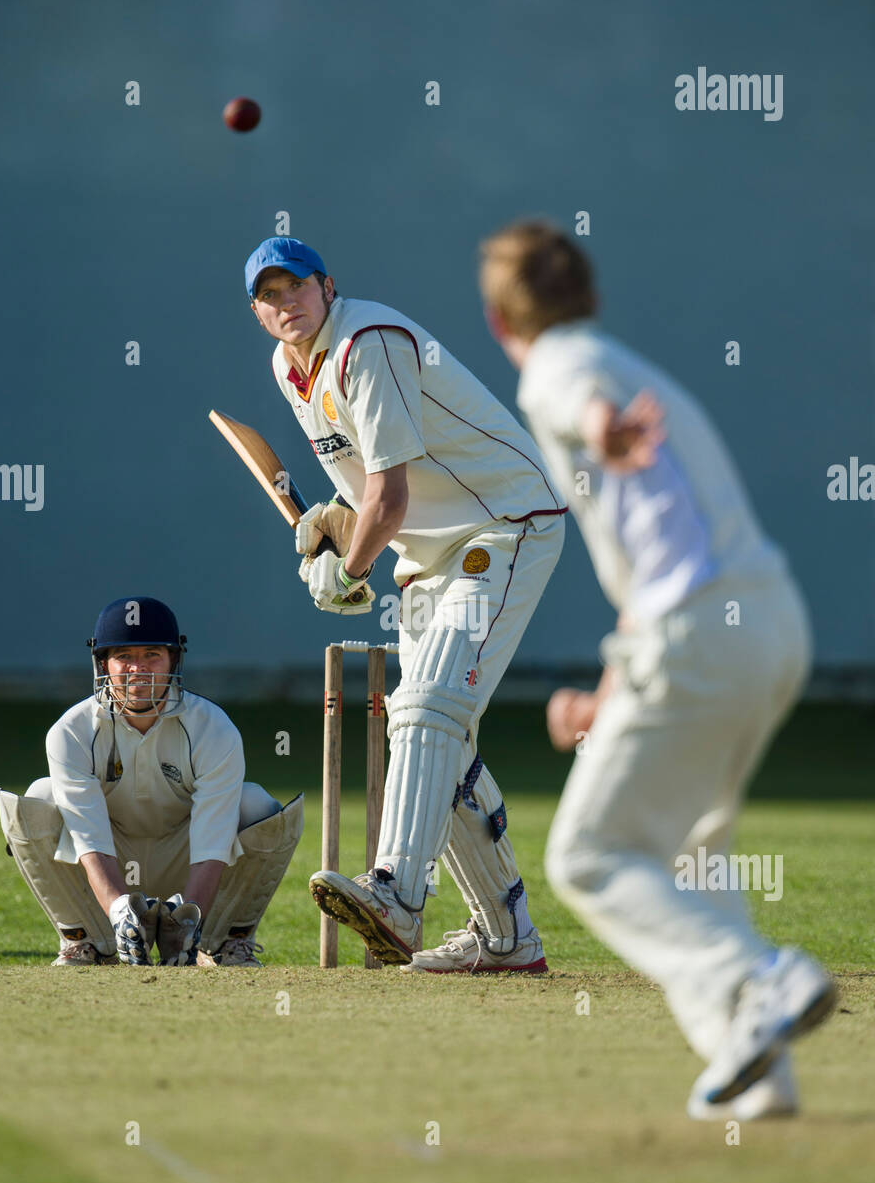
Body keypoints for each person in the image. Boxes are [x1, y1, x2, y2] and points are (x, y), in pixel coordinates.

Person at [478, 219, 835, 1117]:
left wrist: (601, 431)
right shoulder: (640, 369)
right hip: (767, 624)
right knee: (689, 858)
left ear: (497, 321)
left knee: (591, 857)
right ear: (589, 293)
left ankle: (764, 979)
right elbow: (667, 549)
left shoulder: (562, 368)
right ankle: (758, 1072)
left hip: (699, 636)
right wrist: (611, 691)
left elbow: (577, 399)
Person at [244, 235, 567, 971]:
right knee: (434, 739)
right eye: (268, 295)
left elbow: (388, 496)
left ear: (327, 286)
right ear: (257, 312)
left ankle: (395, 894)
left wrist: (350, 570)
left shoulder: (368, 341)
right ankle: (506, 940)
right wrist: (331, 516)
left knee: (425, 709)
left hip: (503, 524)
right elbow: (368, 480)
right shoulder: (291, 367)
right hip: (426, 559)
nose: (284, 302)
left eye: (295, 286)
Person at [0, 596, 302, 967]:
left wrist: (190, 919)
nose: (138, 669)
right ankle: (88, 940)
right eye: (124, 656)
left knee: (257, 806)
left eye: (152, 655)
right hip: (112, 852)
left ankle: (221, 942)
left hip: (184, 853)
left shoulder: (212, 728)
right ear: (103, 663)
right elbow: (89, 837)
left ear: (174, 660)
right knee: (38, 798)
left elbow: (212, 837)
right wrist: (116, 911)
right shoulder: (72, 731)